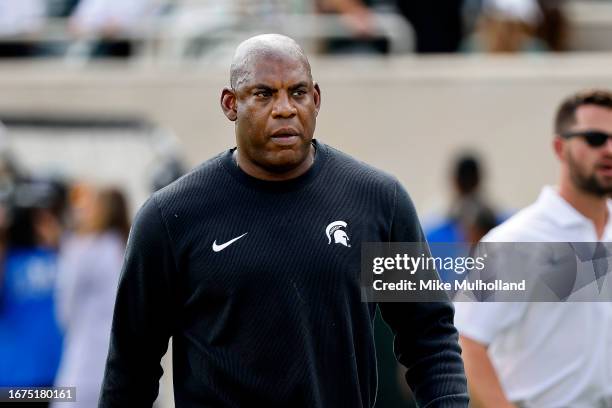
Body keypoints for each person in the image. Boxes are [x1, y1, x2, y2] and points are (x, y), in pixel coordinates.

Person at [99, 34, 468, 407]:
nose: (284, 109)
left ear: (317, 99)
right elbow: (130, 368)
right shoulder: (171, 219)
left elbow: (429, 339)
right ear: (231, 104)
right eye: (263, 94)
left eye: (298, 93)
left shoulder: (376, 202)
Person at [455, 89, 612, 407]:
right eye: (595, 138)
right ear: (559, 147)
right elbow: (466, 342)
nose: (609, 149)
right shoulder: (516, 240)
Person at [53, 186, 130, 408]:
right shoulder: (127, 246)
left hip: (85, 359)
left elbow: (65, 309)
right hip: (122, 355)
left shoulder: (82, 248)